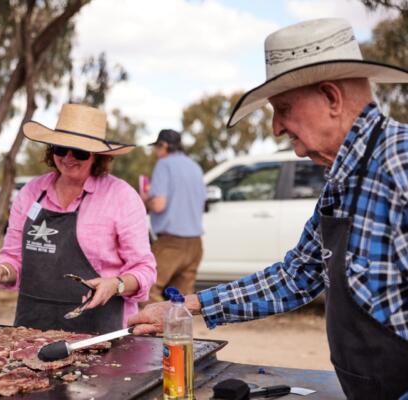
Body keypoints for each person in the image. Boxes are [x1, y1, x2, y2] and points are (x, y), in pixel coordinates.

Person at [128, 18, 408, 400]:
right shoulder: (339, 183)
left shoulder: (400, 163)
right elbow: (295, 277)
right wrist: (186, 307)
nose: (276, 127)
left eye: (283, 108)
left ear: (331, 97)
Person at [0, 103, 157, 333]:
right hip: (33, 328)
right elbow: (14, 259)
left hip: (99, 329)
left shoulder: (121, 197)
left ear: (97, 156)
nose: (68, 158)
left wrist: (115, 285)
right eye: (60, 148)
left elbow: (144, 269)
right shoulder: (31, 192)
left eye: (79, 152)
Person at [141, 129, 205, 303]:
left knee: (146, 288)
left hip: (171, 244)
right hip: (195, 244)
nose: (156, 153)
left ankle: (159, 329)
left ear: (164, 146)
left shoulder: (164, 164)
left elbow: (159, 205)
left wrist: (145, 201)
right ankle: (176, 330)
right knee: (180, 301)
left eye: (157, 148)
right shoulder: (195, 167)